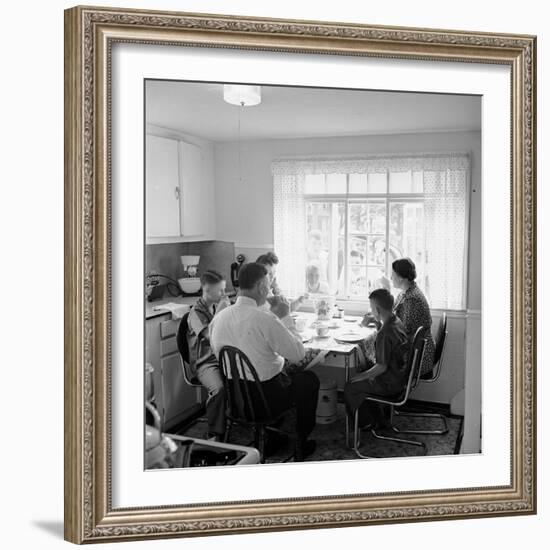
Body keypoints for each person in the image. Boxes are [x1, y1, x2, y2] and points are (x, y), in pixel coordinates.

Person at [210, 262, 320, 461]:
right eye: (268, 285)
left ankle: (272, 436)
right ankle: (300, 444)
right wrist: (285, 317)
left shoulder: (219, 318)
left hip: (235, 397)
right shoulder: (264, 319)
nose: (269, 290)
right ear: (261, 287)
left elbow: (218, 352)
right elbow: (298, 353)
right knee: (308, 380)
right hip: (265, 400)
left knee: (282, 376)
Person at [344, 288, 410, 430]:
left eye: (372, 308)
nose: (371, 310)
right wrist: (378, 323)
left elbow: (381, 367)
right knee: (364, 369)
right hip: (399, 377)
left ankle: (363, 424)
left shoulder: (384, 334)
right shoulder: (396, 321)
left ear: (378, 310)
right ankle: (377, 418)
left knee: (350, 386)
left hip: (389, 384)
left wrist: (362, 376)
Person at [186, 270, 231, 441]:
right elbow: (211, 336)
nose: (224, 294)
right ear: (207, 290)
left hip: (222, 357)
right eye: (220, 290)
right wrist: (220, 312)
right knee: (219, 389)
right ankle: (214, 432)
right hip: (205, 363)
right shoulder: (195, 314)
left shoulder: (215, 305)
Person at [391, 257, 435, 376]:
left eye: (393, 274)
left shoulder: (412, 299)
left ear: (400, 277)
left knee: (375, 358)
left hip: (418, 356)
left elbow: (404, 331)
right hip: (413, 350)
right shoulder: (405, 292)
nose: (391, 278)